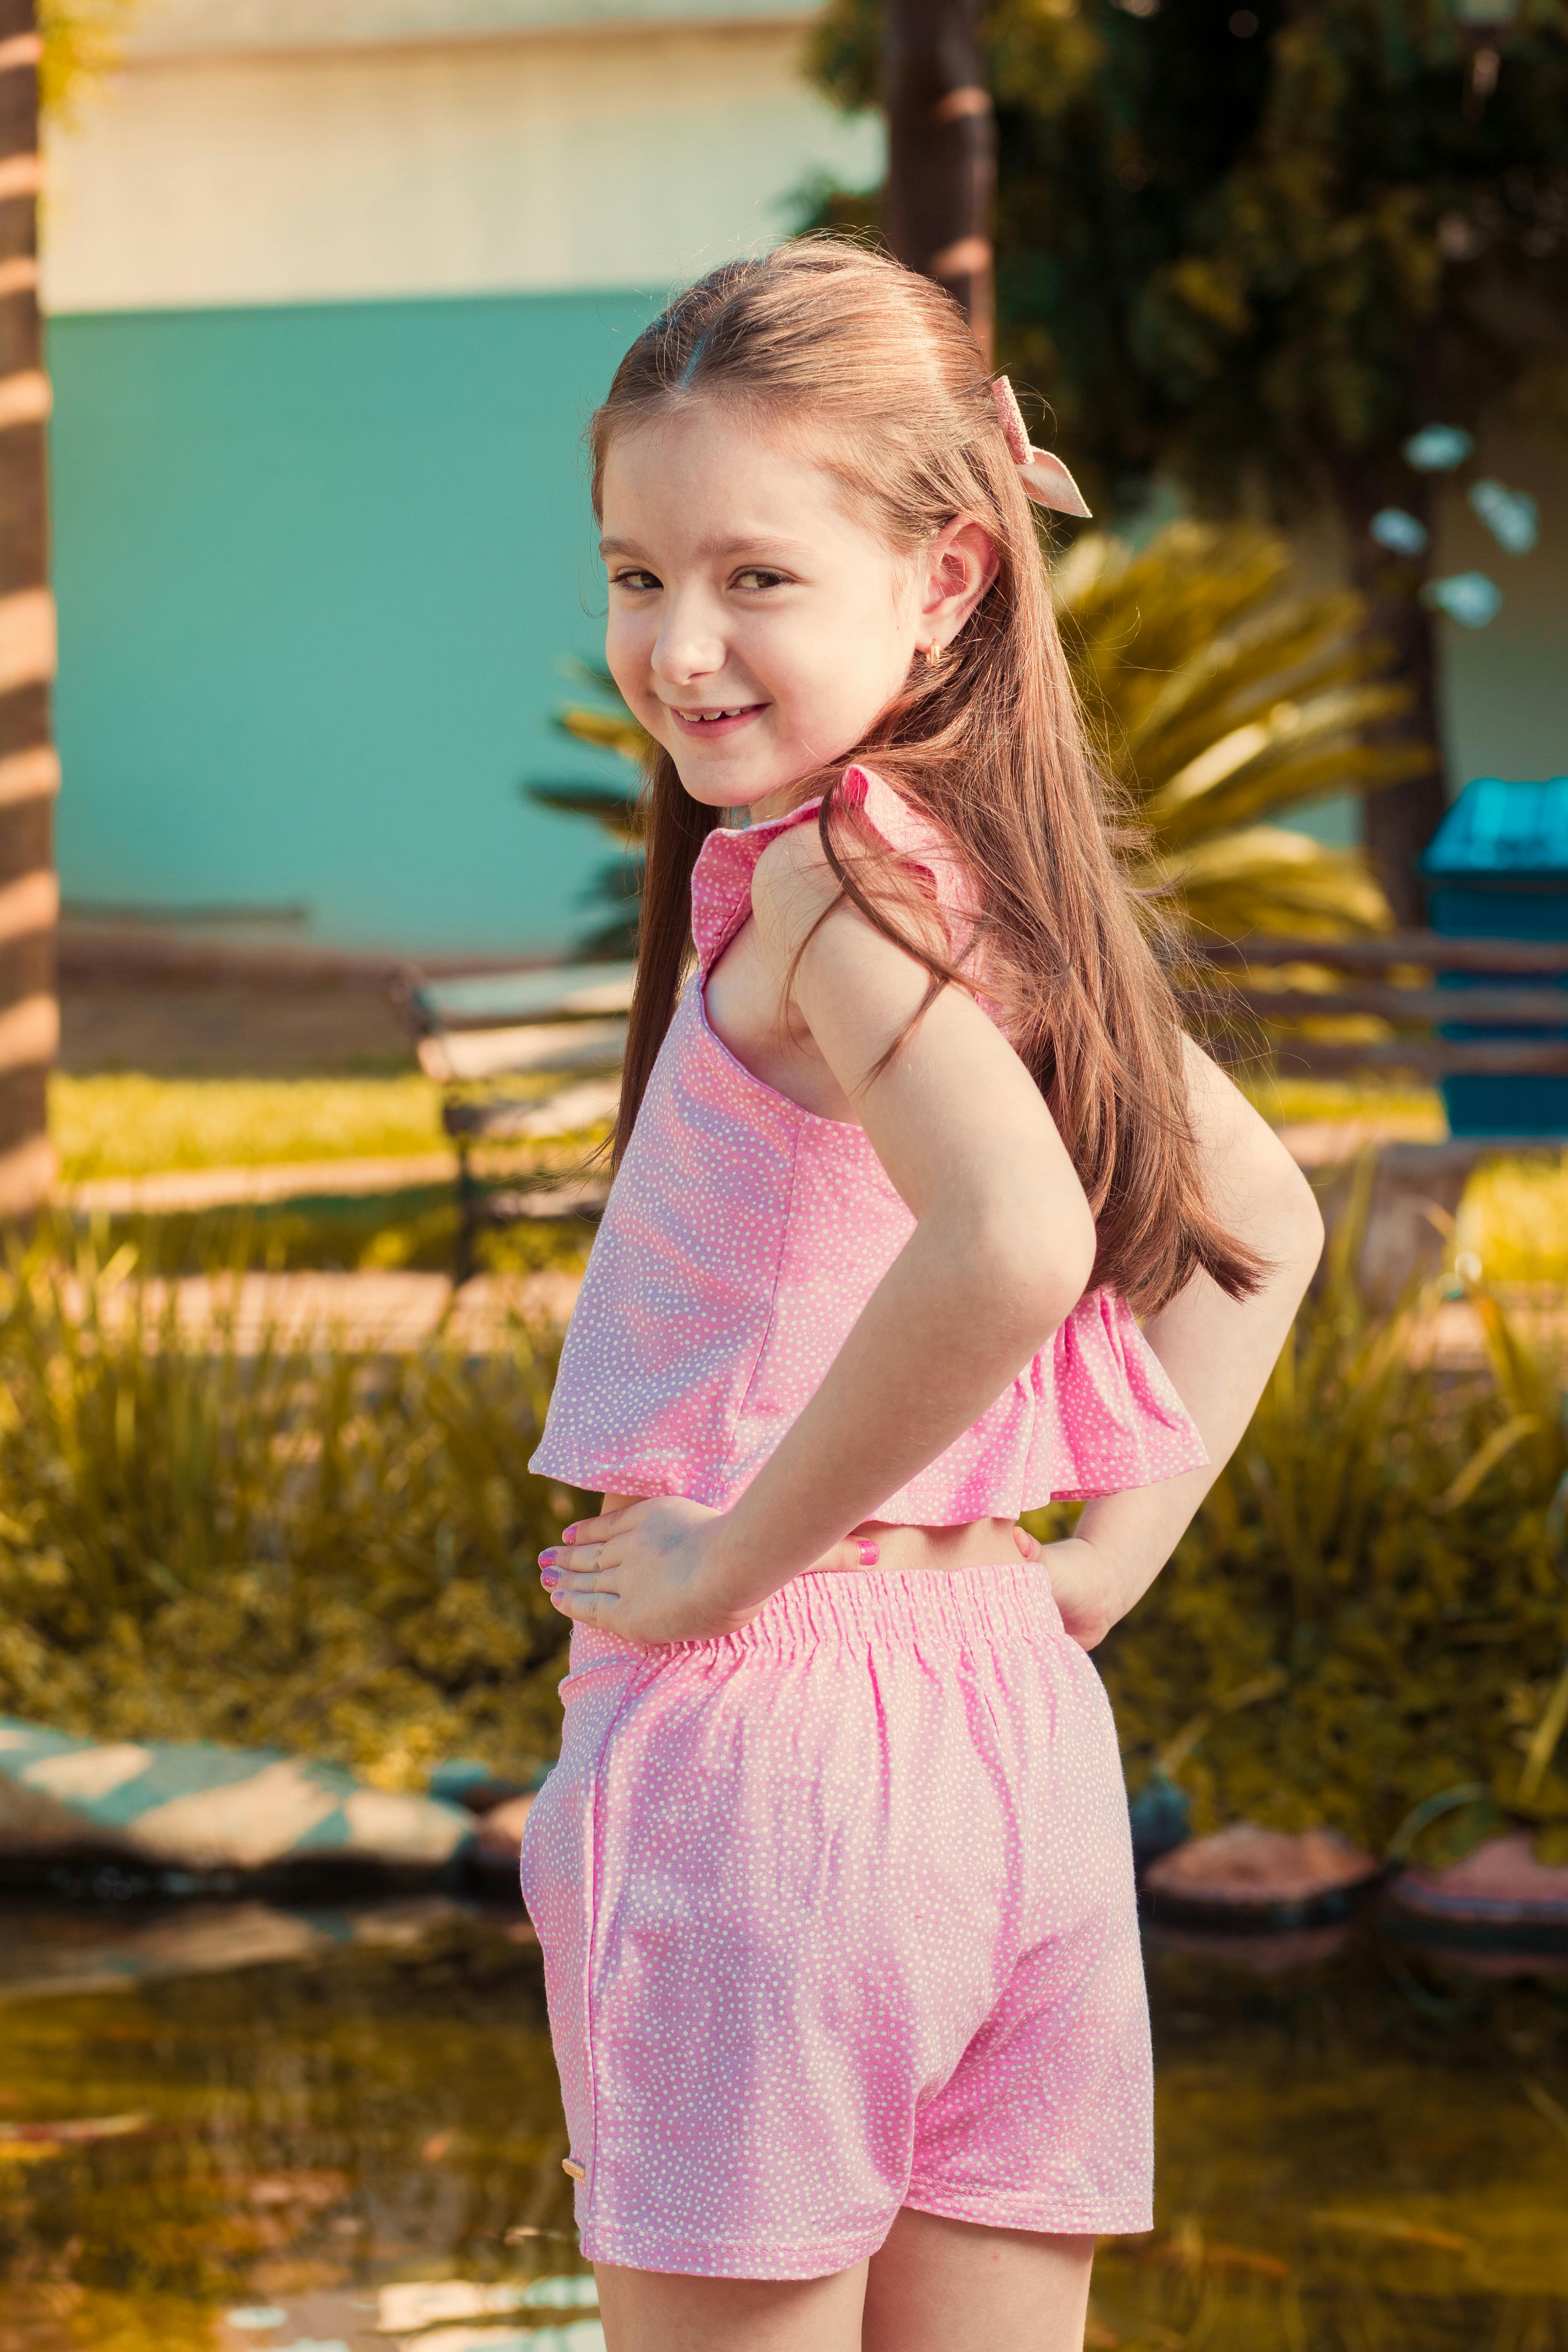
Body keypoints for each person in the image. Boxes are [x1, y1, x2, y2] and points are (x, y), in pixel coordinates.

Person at [520, 238, 1323, 2352]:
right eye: (633, 573)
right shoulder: (988, 876)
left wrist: (724, 1566)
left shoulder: (815, 887)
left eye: (754, 577)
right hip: (1009, 1738)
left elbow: (1020, 1242)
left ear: (948, 577)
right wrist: (1093, 1567)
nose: (676, 645)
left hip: (766, 1752)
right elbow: (1263, 1216)